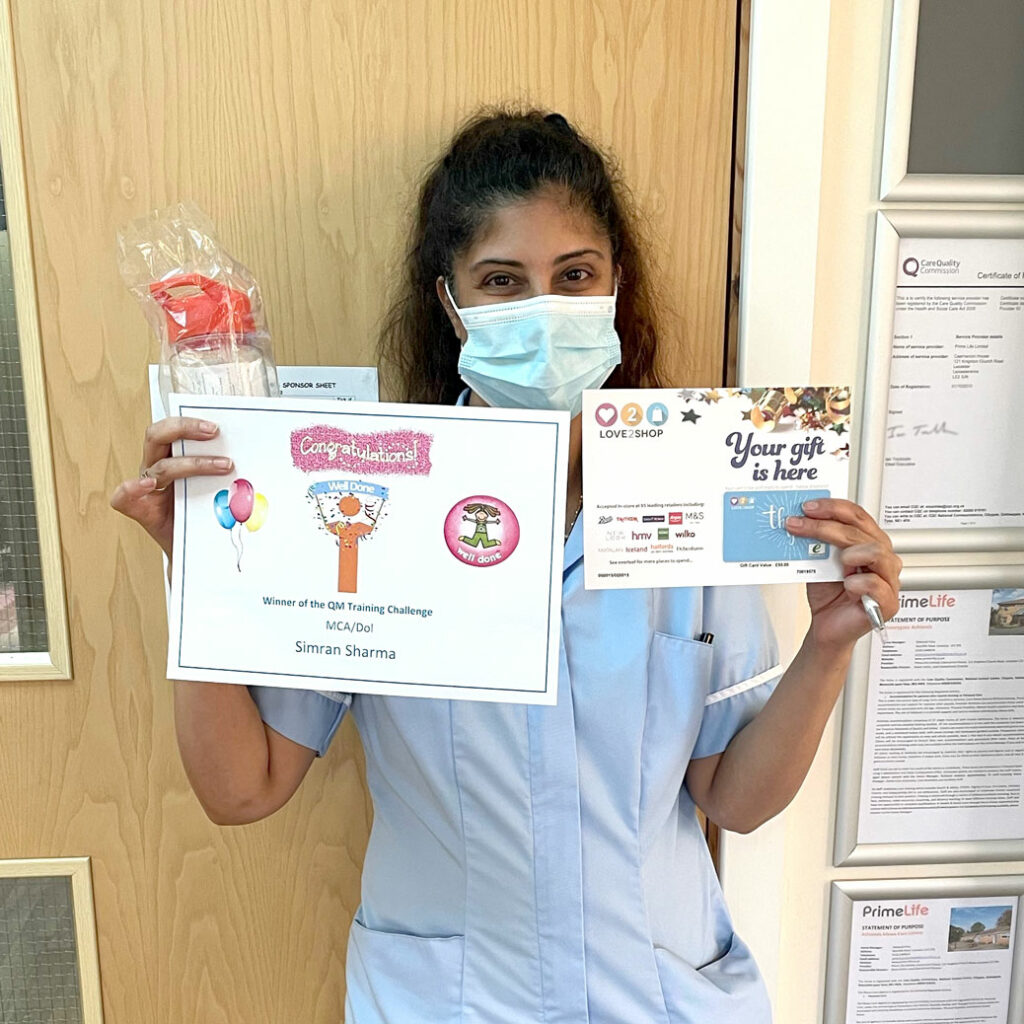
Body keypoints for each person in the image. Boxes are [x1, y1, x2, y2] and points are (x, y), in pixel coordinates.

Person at [111, 109, 901, 1023]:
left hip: (656, 997)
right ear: (451, 304)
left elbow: (737, 799)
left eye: (575, 276)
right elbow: (242, 789)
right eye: (501, 281)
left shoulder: (689, 491)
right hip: (448, 1002)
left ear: (614, 286)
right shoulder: (370, 497)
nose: (544, 310)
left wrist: (829, 645)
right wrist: (200, 569)